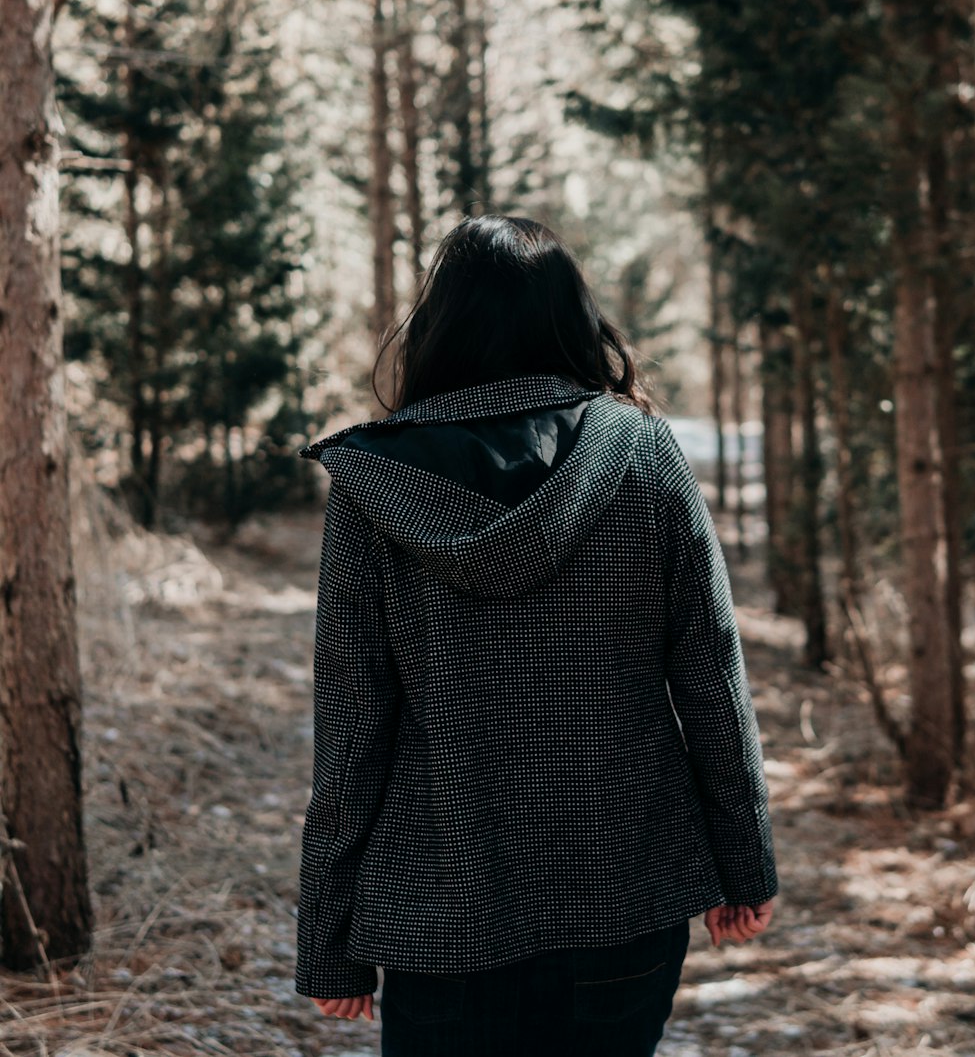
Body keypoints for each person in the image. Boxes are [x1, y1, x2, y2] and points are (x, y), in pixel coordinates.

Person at [293, 214, 778, 1057]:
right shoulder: (641, 455)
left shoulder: (375, 485)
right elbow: (711, 678)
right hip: (625, 893)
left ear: (439, 328)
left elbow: (351, 727)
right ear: (572, 320)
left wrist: (329, 942)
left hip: (440, 911)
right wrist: (744, 864)